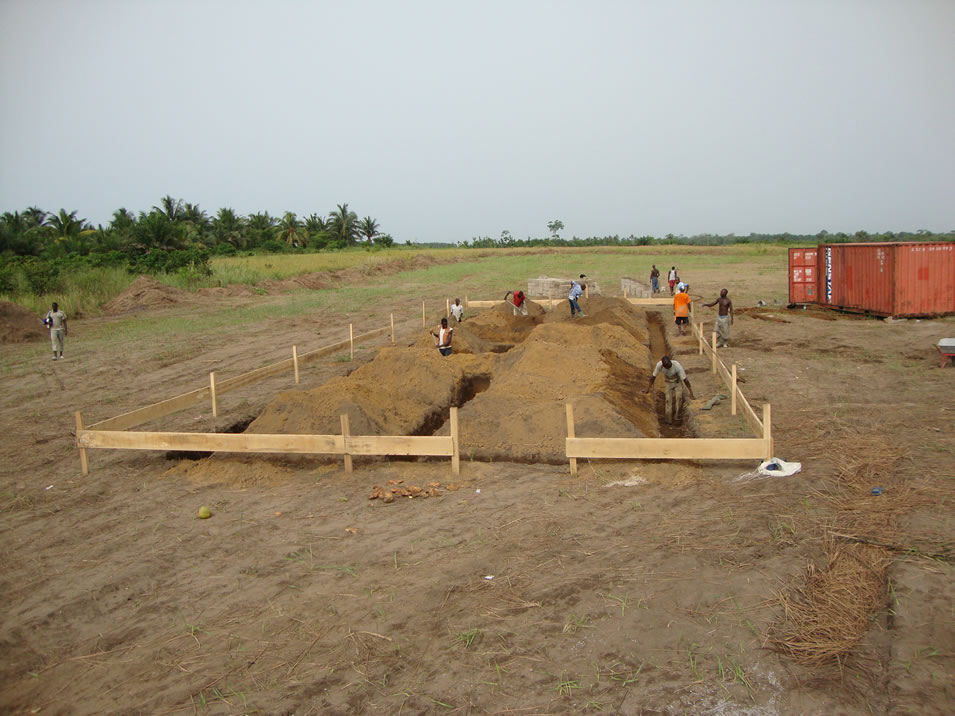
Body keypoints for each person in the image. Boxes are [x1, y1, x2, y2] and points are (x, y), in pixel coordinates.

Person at [644, 355, 695, 425]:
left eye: (669, 366)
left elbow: (685, 380)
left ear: (670, 362)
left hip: (677, 382)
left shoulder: (677, 366)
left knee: (678, 398)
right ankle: (668, 419)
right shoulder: (659, 365)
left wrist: (691, 393)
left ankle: (677, 417)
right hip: (668, 382)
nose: (668, 367)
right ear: (663, 365)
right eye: (666, 367)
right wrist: (648, 389)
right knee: (668, 400)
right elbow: (653, 377)